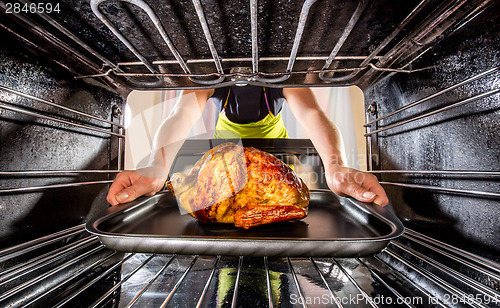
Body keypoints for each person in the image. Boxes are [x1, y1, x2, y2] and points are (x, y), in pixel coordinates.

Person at [106, 86, 389, 207]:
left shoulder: (282, 67)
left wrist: (335, 164)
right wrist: (157, 166)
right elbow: (181, 114)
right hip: (225, 152)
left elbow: (313, 114)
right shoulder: (208, 67)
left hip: (273, 152)